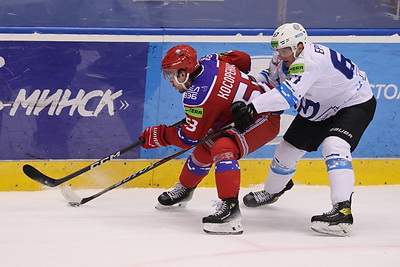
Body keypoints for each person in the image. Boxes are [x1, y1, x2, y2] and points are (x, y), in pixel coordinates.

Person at [232, 22, 376, 236]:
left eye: (286, 50)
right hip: (320, 106)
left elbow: (286, 96)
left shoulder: (309, 62)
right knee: (286, 150)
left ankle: (342, 211)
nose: (281, 55)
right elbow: (270, 78)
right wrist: (248, 83)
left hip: (352, 102)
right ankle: (273, 191)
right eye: (278, 50)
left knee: (334, 145)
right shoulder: (283, 56)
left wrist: (252, 108)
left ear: (300, 46)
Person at [139, 44, 281, 235]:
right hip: (248, 107)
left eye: (171, 74)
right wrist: (232, 92)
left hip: (265, 117)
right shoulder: (211, 60)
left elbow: (189, 137)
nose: (170, 80)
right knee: (205, 148)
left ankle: (230, 210)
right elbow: (243, 59)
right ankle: (185, 190)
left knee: (223, 147)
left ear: (184, 73)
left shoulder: (197, 97)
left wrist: (160, 136)